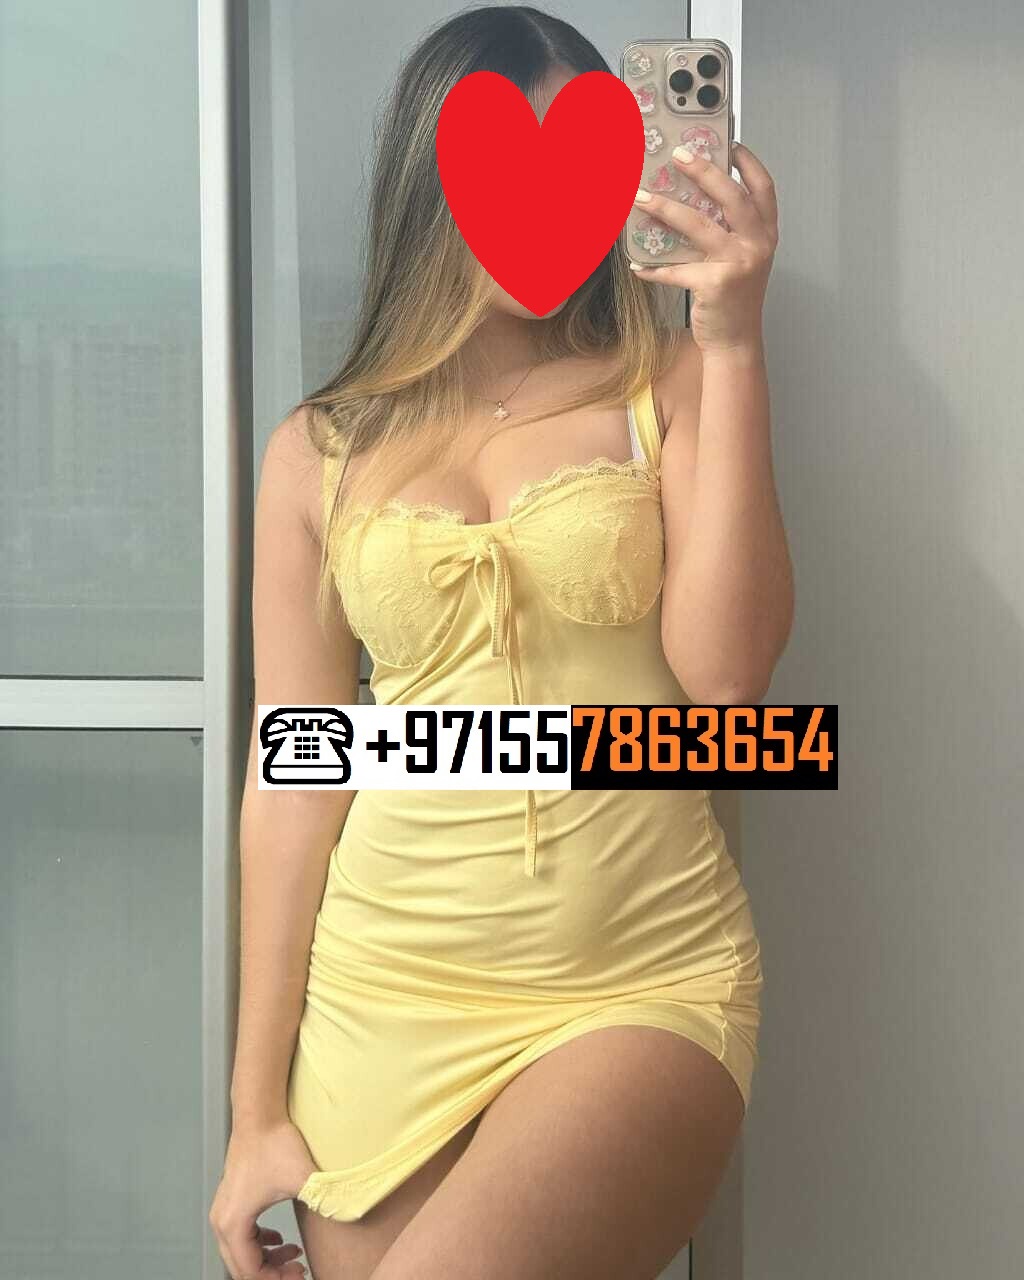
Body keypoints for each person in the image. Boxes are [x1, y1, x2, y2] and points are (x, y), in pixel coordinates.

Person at [209, 6, 790, 1278]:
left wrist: (735, 340)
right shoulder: (317, 449)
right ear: (433, 185)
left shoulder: (669, 385)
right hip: (377, 1003)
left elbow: (727, 686)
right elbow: (292, 777)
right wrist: (253, 1112)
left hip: (633, 980)